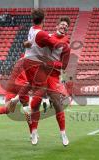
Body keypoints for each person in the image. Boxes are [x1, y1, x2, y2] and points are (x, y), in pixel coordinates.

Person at [27, 16, 71, 146]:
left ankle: (63, 133)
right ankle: (34, 131)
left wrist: (51, 63)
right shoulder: (46, 36)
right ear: (57, 26)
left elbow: (64, 65)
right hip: (40, 72)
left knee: (57, 103)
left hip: (53, 75)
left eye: (66, 26)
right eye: (62, 24)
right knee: (36, 103)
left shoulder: (66, 47)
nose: (64, 27)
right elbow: (34, 45)